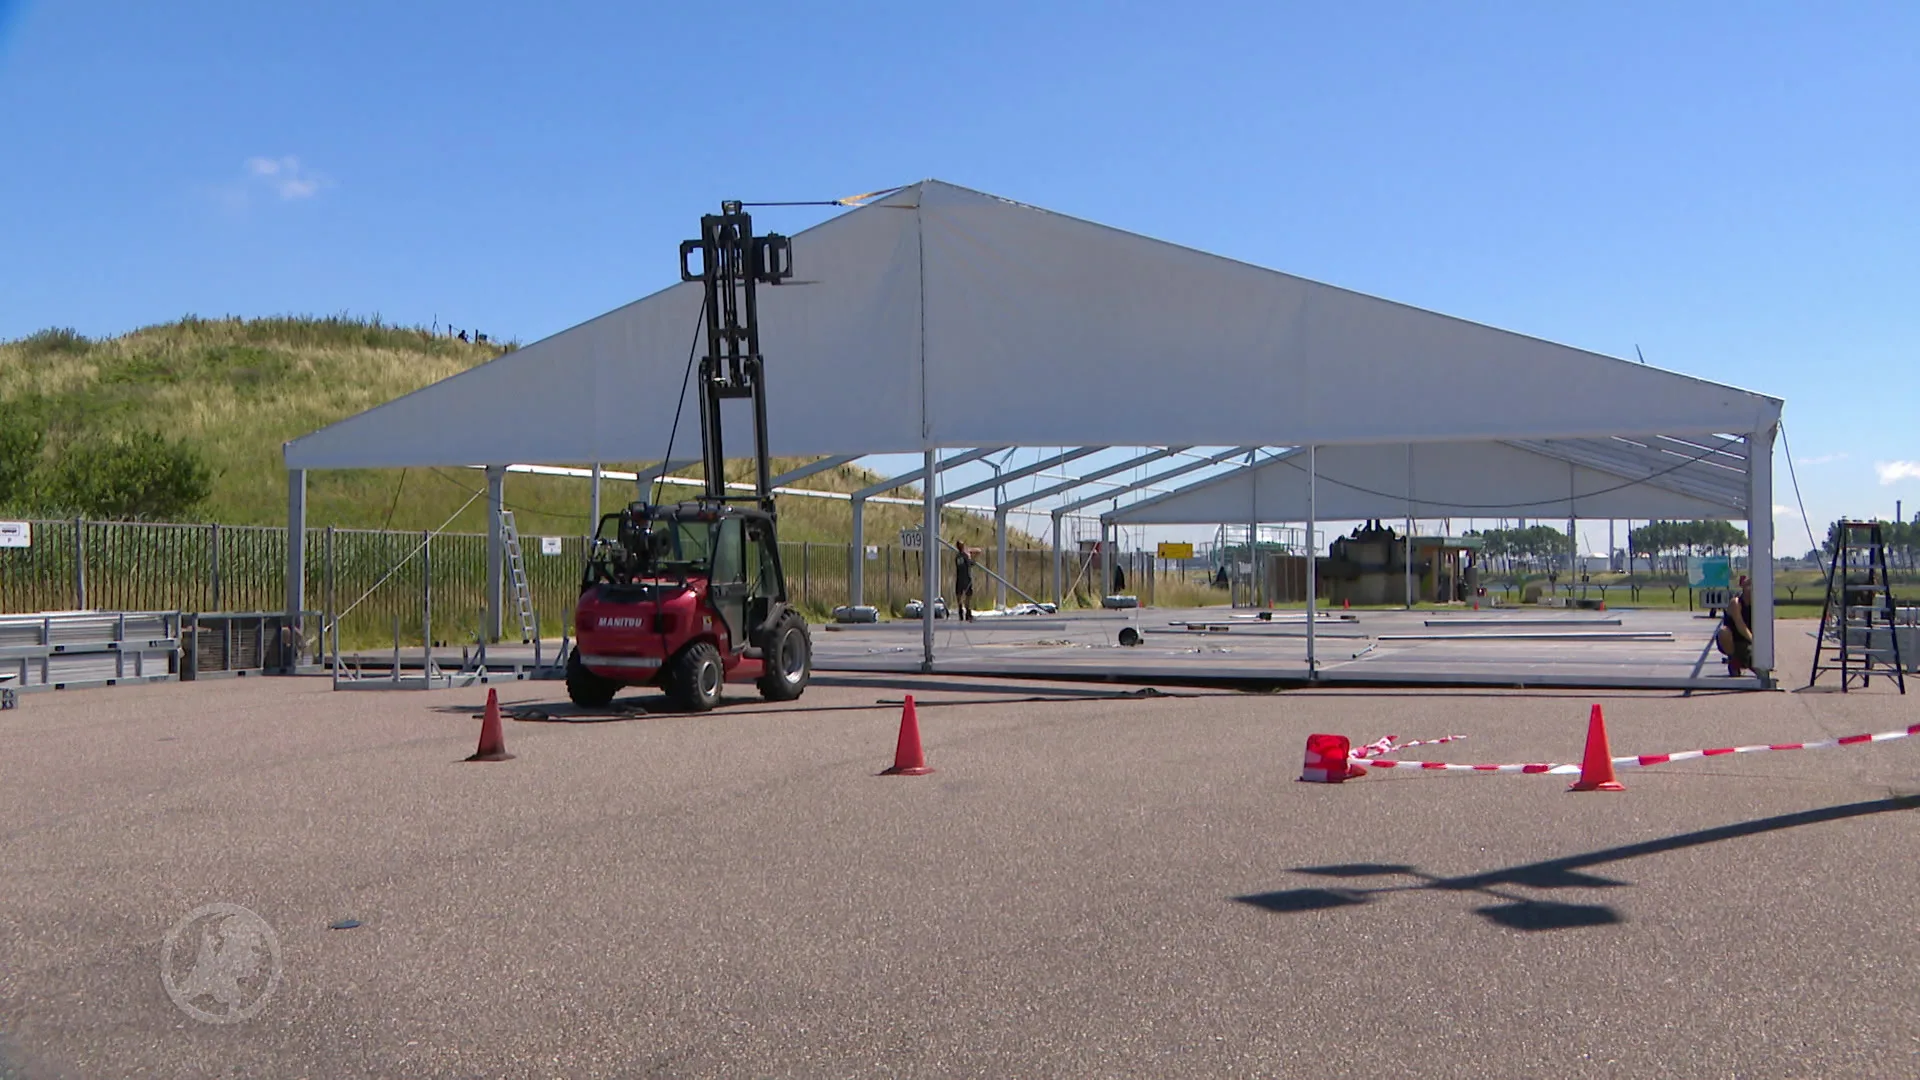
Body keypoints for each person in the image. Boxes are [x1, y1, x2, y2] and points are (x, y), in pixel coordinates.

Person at [1716, 574, 1755, 676]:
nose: (1751, 588)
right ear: (1743, 587)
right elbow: (1740, 625)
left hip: (1747, 644)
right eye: (1748, 585)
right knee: (1723, 632)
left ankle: (1745, 661)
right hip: (1734, 641)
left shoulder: (1758, 605)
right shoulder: (1736, 603)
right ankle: (1733, 660)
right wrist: (1754, 642)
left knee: (1756, 666)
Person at [953, 543, 977, 622]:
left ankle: (960, 611)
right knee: (968, 596)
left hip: (959, 578)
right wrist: (973, 559)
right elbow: (970, 564)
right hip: (966, 578)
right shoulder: (965, 556)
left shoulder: (957, 557)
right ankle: (968, 613)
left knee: (959, 595)